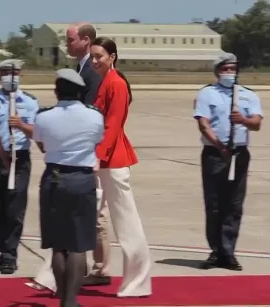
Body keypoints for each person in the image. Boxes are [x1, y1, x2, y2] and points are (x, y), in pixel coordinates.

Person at [28, 22, 102, 293]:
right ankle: (71, 299)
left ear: (58, 91)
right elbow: (97, 139)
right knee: (80, 244)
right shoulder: (94, 116)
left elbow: (41, 143)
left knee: (58, 245)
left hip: (54, 178)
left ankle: (61, 296)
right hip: (82, 180)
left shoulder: (44, 116)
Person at [86, 36, 152, 297]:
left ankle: (138, 281)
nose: (94, 61)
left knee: (127, 225)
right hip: (104, 159)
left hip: (112, 162)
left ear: (112, 56)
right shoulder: (107, 82)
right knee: (92, 215)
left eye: (99, 56)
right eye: (92, 56)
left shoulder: (117, 84)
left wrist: (99, 157)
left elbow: (113, 125)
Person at [193, 53, 264, 271]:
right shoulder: (207, 93)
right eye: (225, 69)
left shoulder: (247, 95)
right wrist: (220, 146)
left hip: (239, 153)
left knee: (234, 204)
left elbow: (257, 123)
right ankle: (215, 251)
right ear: (217, 71)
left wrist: (243, 120)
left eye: (233, 68)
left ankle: (228, 252)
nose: (229, 73)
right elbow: (203, 123)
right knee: (214, 204)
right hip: (215, 153)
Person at [0, 58, 39, 274]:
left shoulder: (30, 102)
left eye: (14, 72)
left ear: (21, 75)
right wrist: (4, 157)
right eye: (5, 72)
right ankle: (4, 252)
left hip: (21, 157)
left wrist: (21, 126)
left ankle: (9, 254)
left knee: (15, 208)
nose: (10, 76)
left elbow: (36, 132)